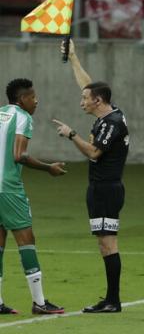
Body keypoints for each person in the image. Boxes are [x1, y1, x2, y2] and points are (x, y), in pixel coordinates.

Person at [53, 40, 129, 313]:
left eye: (85, 99)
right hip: (101, 188)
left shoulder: (111, 123)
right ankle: (110, 299)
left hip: (106, 189)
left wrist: (71, 134)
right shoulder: (109, 111)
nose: (81, 101)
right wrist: (73, 58)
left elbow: (94, 153)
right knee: (104, 243)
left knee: (108, 243)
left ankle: (113, 301)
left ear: (98, 101)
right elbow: (87, 85)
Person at [0, 78, 66, 314]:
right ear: (21, 99)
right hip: (8, 189)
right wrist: (49, 168)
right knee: (27, 241)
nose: (36, 101)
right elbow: (19, 155)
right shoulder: (23, 118)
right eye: (32, 96)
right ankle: (39, 302)